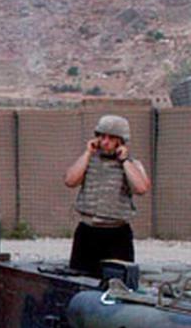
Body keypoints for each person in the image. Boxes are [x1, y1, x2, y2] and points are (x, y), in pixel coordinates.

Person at [64, 114, 151, 277]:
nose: (105, 142)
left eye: (111, 138)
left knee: (118, 284)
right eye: (102, 136)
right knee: (80, 280)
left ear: (121, 141)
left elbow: (141, 188)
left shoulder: (132, 164)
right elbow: (70, 180)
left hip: (117, 235)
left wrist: (125, 161)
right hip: (87, 232)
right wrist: (87, 153)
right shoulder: (88, 161)